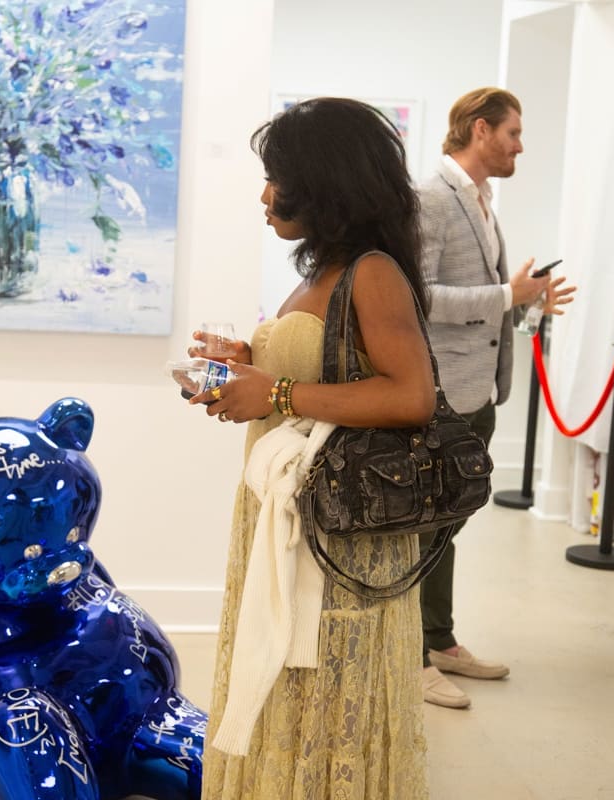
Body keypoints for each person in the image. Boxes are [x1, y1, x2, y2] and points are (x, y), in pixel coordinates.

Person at [188, 98, 436, 799]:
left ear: (327, 183)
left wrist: (276, 396)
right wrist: (246, 360)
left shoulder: (373, 271)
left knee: (325, 695)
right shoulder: (324, 268)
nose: (265, 194)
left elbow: (409, 395)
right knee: (290, 692)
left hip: (335, 537)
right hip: (289, 522)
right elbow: (331, 364)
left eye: (279, 177)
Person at [417, 87, 576, 709]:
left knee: (447, 523)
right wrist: (509, 295)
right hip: (442, 392)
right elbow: (420, 297)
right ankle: (411, 657)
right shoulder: (431, 197)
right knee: (426, 524)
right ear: (480, 129)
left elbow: (480, 306)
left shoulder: (481, 199)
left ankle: (439, 641)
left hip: (478, 390)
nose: (519, 146)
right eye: (513, 133)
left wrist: (526, 301)